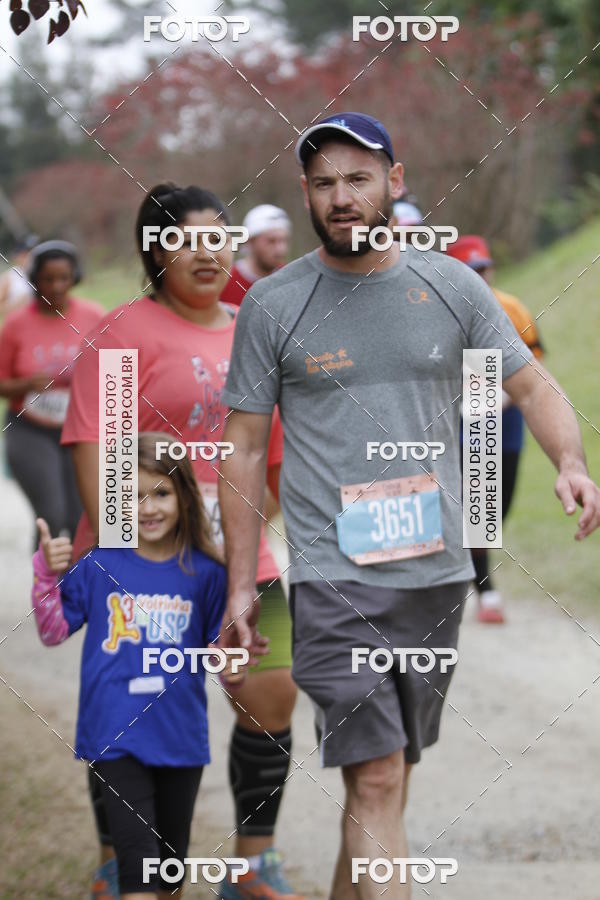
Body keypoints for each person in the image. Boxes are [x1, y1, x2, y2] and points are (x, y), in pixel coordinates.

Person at [216, 111, 600, 900]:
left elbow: (528, 381)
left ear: (396, 181)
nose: (341, 198)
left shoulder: (451, 284)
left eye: (358, 179)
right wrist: (241, 586)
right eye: (324, 184)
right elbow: (246, 450)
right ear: (305, 196)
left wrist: (571, 458)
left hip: (434, 571)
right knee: (381, 775)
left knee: (388, 776)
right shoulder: (273, 305)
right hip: (332, 575)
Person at [61, 185, 303, 900]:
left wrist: (267, 537)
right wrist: (131, 556)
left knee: (274, 693)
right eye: (184, 241)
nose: (206, 253)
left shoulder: (254, 329)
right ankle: (120, 861)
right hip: (141, 560)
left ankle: (251, 866)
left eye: (216, 239)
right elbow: (94, 452)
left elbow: (271, 454)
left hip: (241, 554)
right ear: (154, 251)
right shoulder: (120, 331)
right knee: (136, 708)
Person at [31, 432, 260, 899]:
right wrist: (43, 573)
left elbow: (216, 657)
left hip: (179, 739)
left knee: (168, 878)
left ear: (184, 496)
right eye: (132, 496)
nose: (148, 507)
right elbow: (53, 631)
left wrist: (233, 665)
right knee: (137, 877)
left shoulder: (208, 573)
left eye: (160, 492)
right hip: (113, 735)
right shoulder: (99, 565)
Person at [447, 234, 545, 623]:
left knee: (497, 509)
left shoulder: (512, 308)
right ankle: (485, 591)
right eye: (471, 272)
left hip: (508, 424)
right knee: (478, 512)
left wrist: (502, 395)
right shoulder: (446, 314)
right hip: (466, 426)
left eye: (484, 269)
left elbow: (534, 369)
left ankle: (472, 572)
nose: (480, 278)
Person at [0, 240, 103, 543]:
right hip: (31, 429)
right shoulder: (16, 325)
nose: (57, 286)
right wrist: (27, 384)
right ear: (34, 280)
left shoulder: (94, 317)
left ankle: (76, 587)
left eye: (64, 277)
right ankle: (44, 587)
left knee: (81, 517)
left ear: (76, 277)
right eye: (48, 278)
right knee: (52, 512)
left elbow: (116, 370)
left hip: (80, 428)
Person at [220, 204, 291, 307]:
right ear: (250, 242)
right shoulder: (225, 281)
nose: (280, 249)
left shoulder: (292, 278)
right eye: (271, 241)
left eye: (283, 241)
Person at [0, 234, 38, 325]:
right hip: (21, 326)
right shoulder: (10, 277)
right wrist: (20, 304)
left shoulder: (43, 274)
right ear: (18, 256)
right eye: (27, 253)